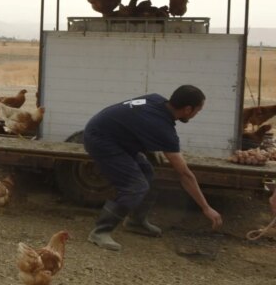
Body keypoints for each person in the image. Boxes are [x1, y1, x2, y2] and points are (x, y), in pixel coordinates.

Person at [83, 85, 223, 251]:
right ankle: (100, 232)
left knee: (147, 172)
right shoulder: (164, 130)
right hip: (101, 140)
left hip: (114, 137)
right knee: (135, 186)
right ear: (187, 109)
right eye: (197, 111)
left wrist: (149, 146)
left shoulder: (156, 99)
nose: (195, 115)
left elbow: (135, 118)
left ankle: (136, 221)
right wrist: (205, 207)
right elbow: (184, 174)